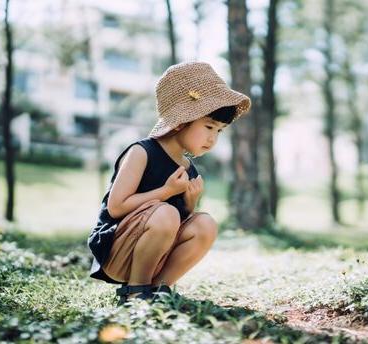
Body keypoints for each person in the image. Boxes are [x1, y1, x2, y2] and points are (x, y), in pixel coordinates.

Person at [87, 62, 251, 305]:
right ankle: (134, 292)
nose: (212, 138)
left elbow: (176, 225)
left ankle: (159, 290)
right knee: (165, 213)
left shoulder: (188, 168)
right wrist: (166, 192)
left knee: (205, 223)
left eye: (219, 131)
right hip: (117, 251)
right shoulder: (141, 152)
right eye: (208, 126)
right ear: (182, 121)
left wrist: (189, 203)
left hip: (155, 254)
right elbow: (116, 207)